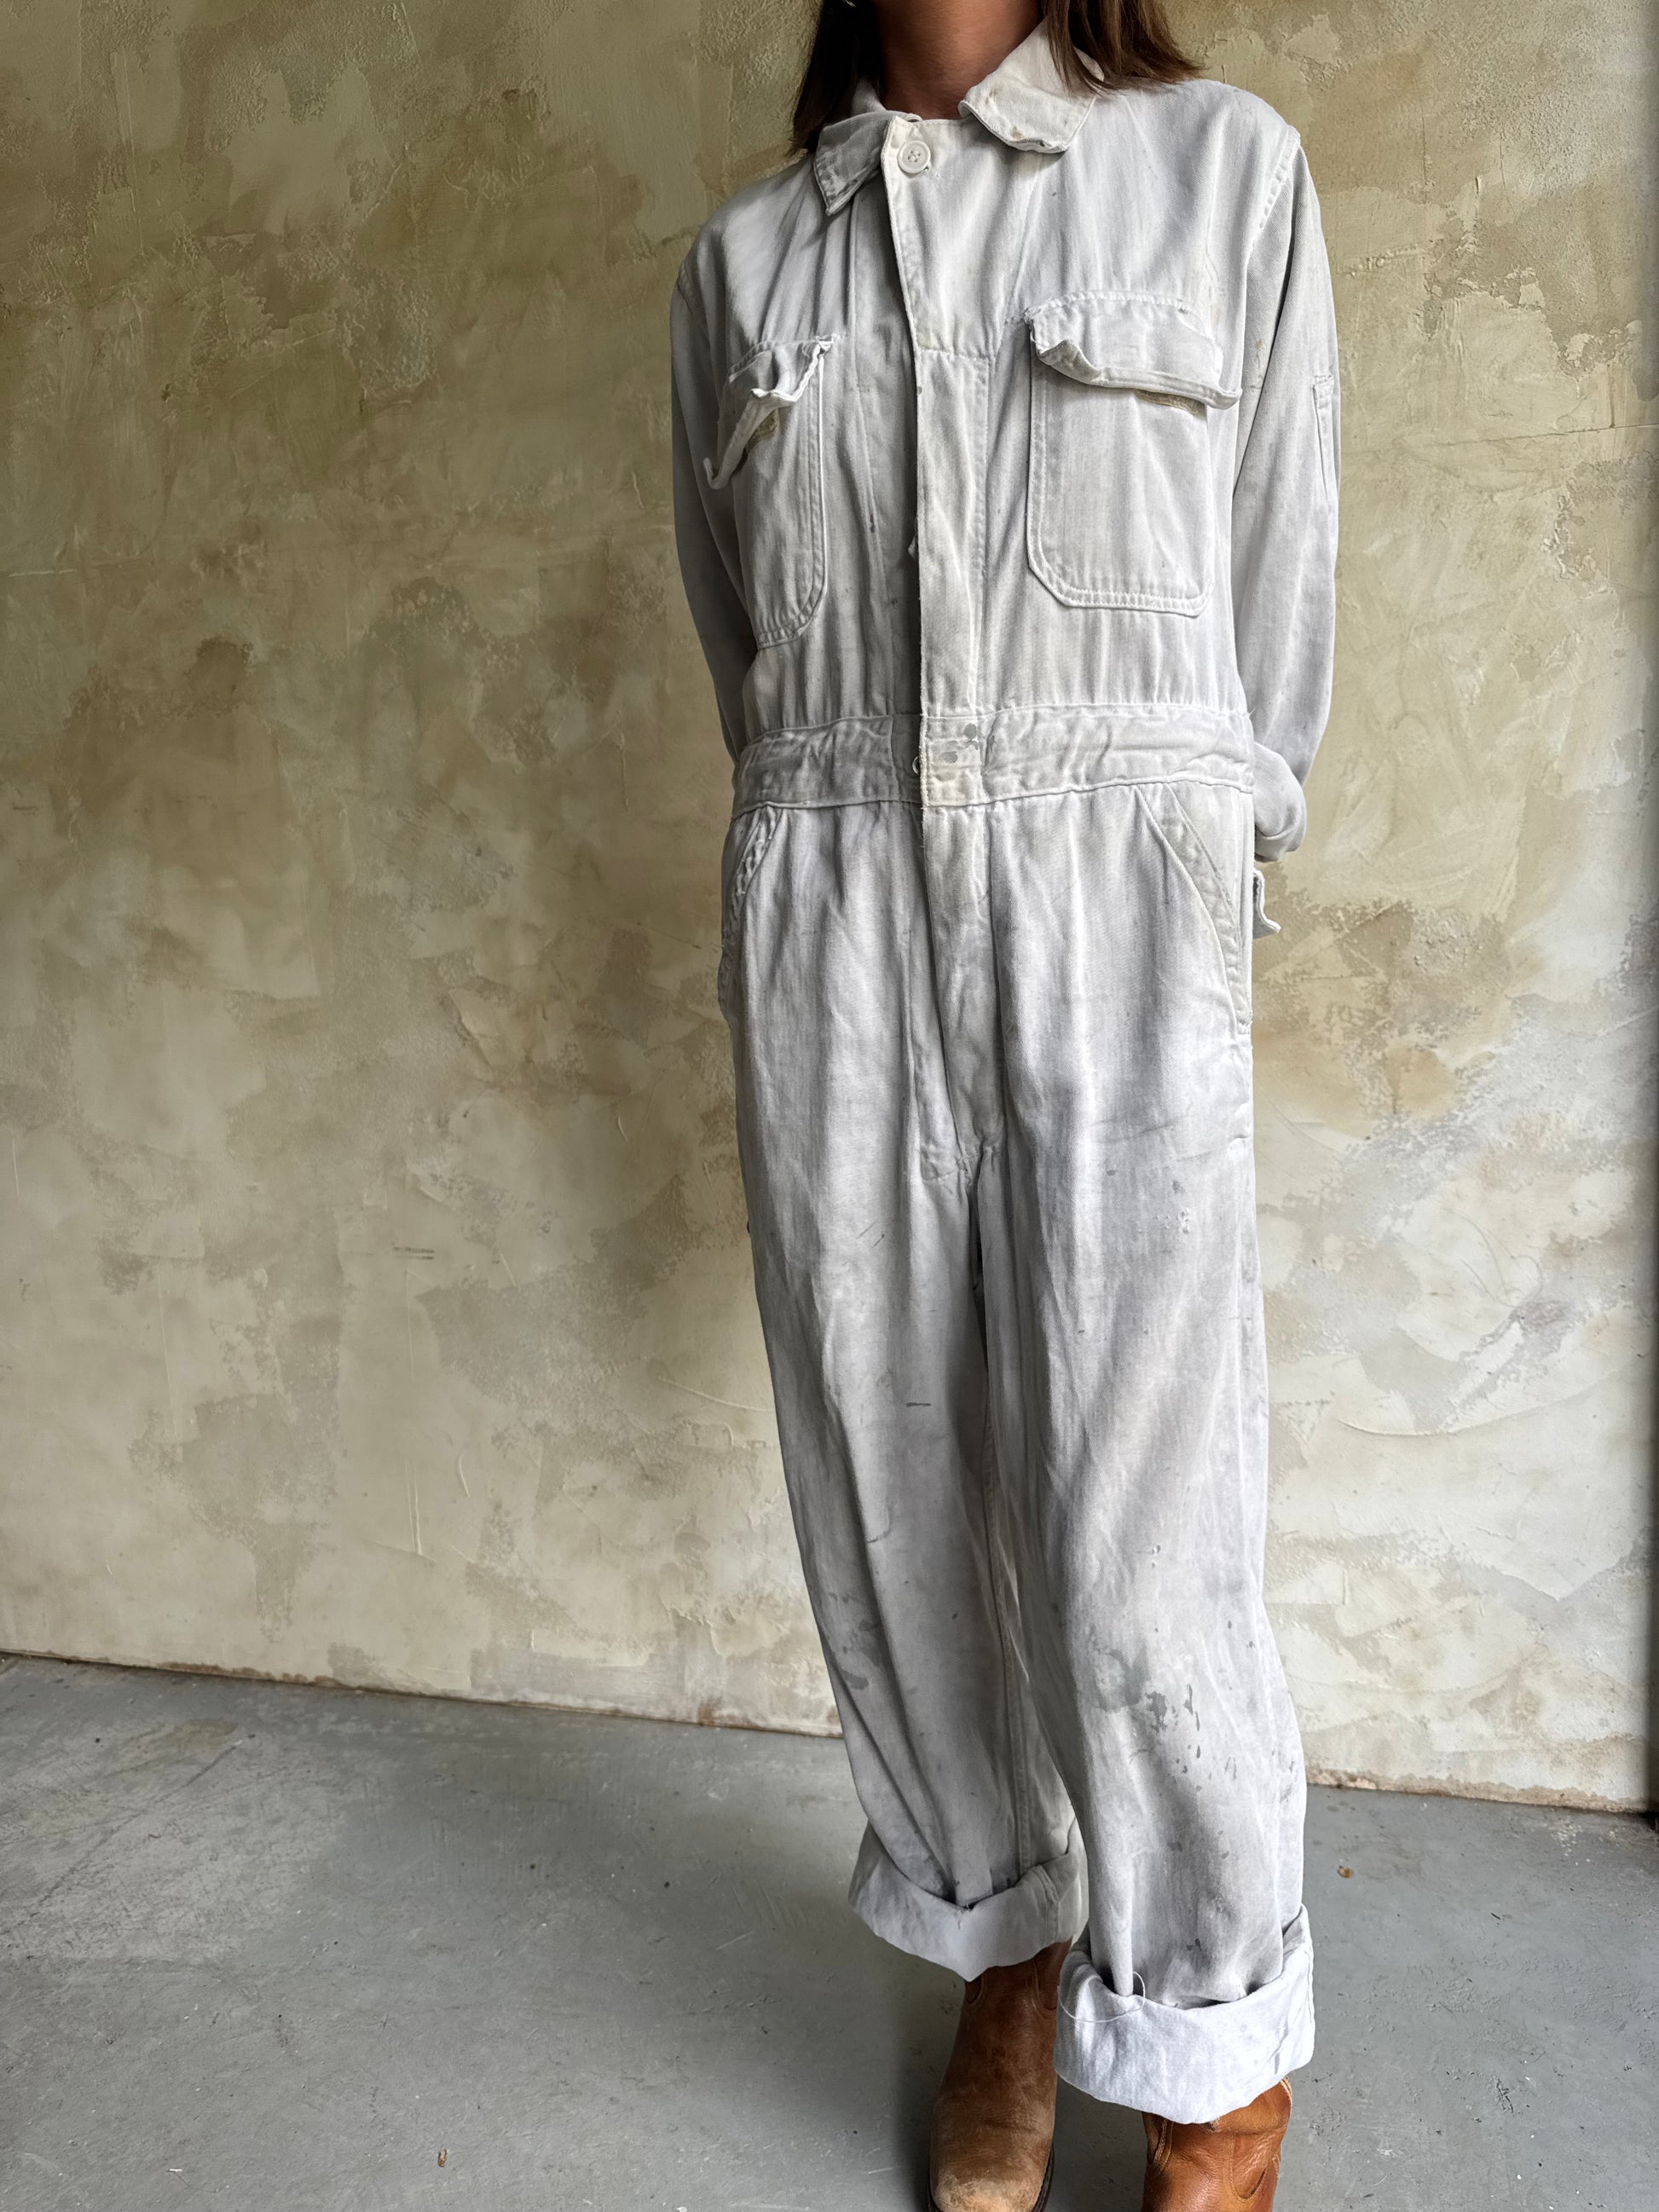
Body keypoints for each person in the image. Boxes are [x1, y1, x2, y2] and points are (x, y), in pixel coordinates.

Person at [669, 0, 1338, 2203]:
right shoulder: (742, 270)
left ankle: (1215, 2057)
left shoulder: (1222, 174)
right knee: (884, 1485)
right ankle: (1004, 1947)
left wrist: (1184, 860)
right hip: (836, 897)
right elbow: (748, 657)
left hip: (1115, 897)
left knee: (1147, 1545)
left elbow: (1272, 621)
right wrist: (839, 863)